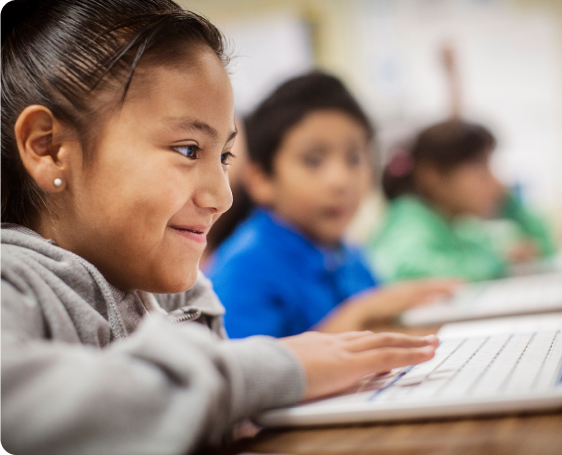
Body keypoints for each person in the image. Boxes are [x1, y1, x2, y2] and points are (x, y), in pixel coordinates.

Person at [0, 1, 441, 453]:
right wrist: (273, 367)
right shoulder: (12, 282)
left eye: (224, 156)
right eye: (189, 150)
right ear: (49, 148)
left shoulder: (184, 295)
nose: (223, 197)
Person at [206, 72, 457, 339]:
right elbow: (245, 375)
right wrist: (356, 316)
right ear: (261, 179)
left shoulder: (351, 256)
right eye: (313, 161)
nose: (340, 180)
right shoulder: (244, 269)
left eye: (354, 158)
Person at [368, 119, 556, 284]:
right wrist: (495, 263)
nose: (498, 183)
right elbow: (404, 271)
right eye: (480, 169)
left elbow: (543, 247)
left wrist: (509, 202)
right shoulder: (409, 217)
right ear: (432, 176)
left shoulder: (455, 225)